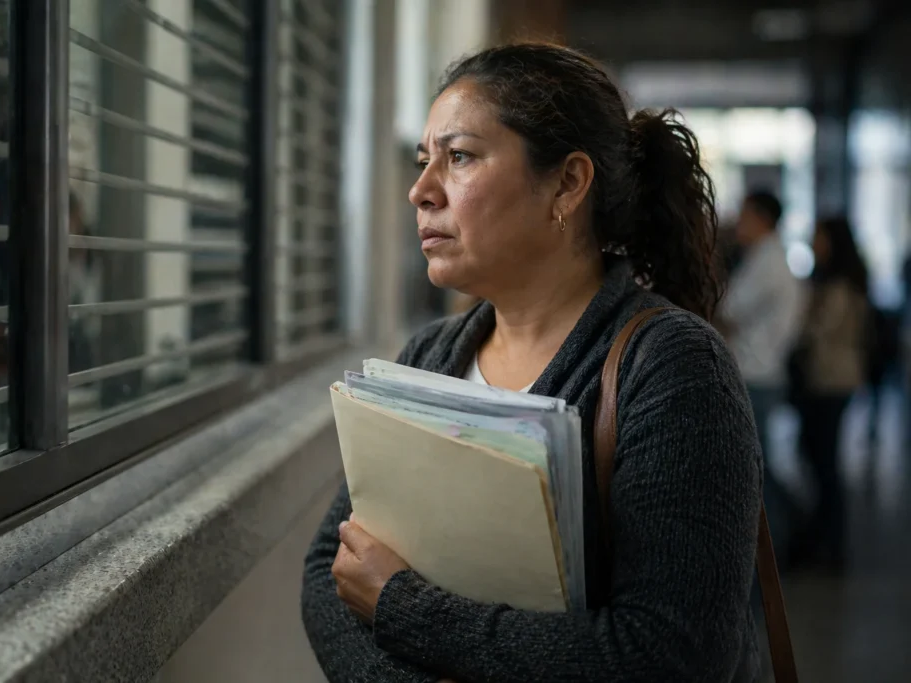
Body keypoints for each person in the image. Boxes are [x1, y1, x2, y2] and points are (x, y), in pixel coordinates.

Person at [302, 43, 763, 683]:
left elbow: (669, 655)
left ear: (568, 183)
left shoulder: (672, 370)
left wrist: (402, 608)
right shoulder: (430, 357)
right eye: (422, 161)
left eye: (459, 157)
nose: (420, 190)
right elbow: (330, 567)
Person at [717, 191, 804, 562]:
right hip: (762, 371)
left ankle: (777, 549)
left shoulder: (768, 261)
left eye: (745, 216)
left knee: (756, 470)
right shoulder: (768, 258)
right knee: (760, 464)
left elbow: (729, 312)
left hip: (757, 373)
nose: (739, 224)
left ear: (762, 218)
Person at [790, 217, 869, 571]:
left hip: (831, 381)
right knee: (818, 457)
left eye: (818, 236)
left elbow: (816, 331)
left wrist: (803, 314)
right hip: (828, 380)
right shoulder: (833, 281)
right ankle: (821, 536)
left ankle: (831, 544)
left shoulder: (838, 286)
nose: (813, 242)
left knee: (825, 463)